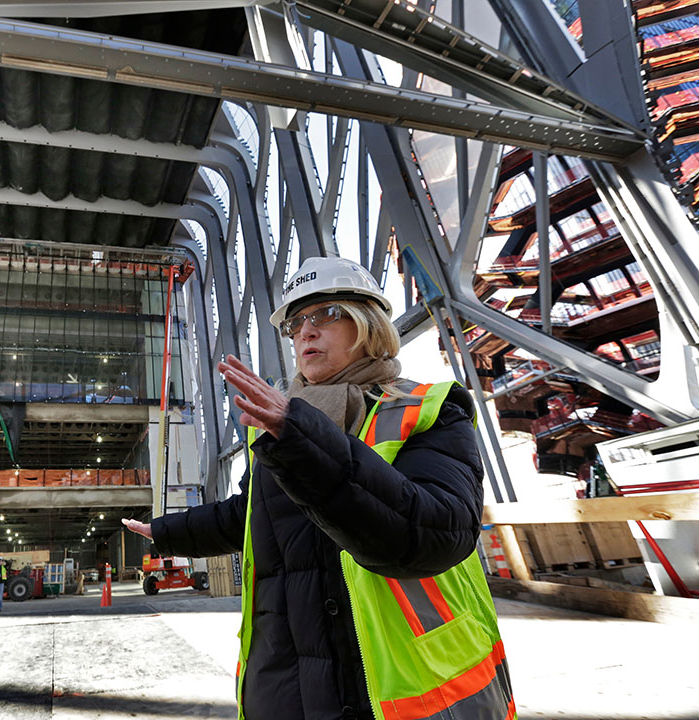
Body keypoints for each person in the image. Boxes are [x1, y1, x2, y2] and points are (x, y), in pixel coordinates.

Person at [123, 257, 513, 719]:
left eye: (327, 313)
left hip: (409, 683)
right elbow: (248, 514)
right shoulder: (280, 429)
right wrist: (169, 533)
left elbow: (435, 534)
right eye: (296, 322)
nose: (305, 331)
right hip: (289, 684)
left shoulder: (429, 411)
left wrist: (301, 438)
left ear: (369, 326)